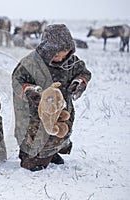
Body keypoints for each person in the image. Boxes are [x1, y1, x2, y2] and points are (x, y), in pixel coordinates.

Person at [12, 24, 92, 171]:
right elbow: (17, 80)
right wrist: (31, 91)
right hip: (35, 112)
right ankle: (31, 157)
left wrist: (79, 82)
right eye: (56, 54)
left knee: (59, 130)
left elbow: (83, 72)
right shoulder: (31, 63)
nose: (61, 58)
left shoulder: (72, 62)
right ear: (47, 49)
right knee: (34, 139)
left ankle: (53, 152)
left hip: (61, 109)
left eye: (65, 53)